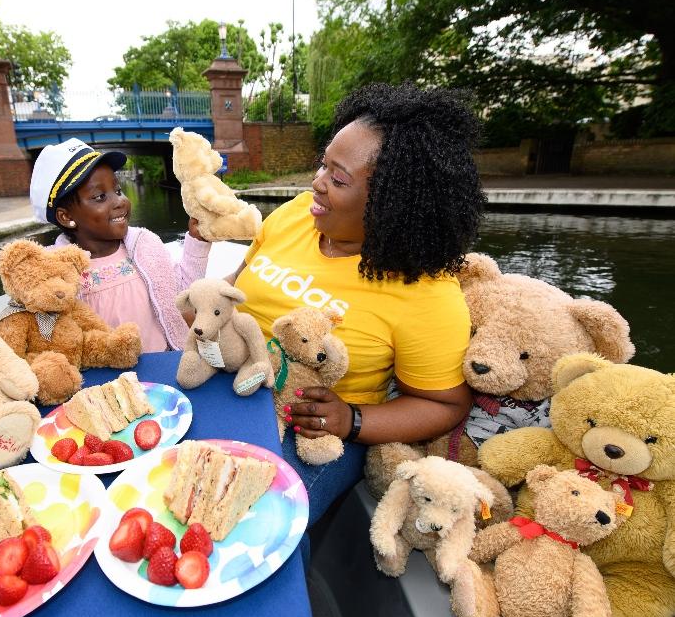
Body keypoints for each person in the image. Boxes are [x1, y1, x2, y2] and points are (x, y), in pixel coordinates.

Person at [230, 83, 486, 525]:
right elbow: (236, 282)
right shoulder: (296, 214)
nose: (317, 183)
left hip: (312, 432)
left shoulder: (427, 292)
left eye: (338, 178)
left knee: (252, 522)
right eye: (322, 165)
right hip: (231, 388)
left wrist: (352, 420)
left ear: (391, 204)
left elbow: (446, 405)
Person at [30, 138, 211, 352]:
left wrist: (197, 241)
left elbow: (184, 294)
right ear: (66, 216)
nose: (120, 201)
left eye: (117, 190)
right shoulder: (55, 273)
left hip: (164, 366)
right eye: (99, 197)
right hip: (105, 381)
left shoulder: (145, 245)